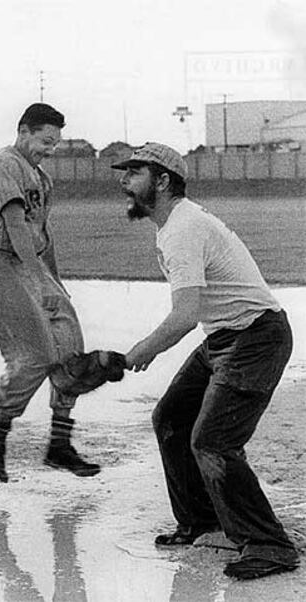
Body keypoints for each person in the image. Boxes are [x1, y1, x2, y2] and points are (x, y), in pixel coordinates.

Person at [111, 142, 299, 580]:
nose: (124, 180)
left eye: (135, 173)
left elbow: (184, 316)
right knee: (171, 417)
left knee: (213, 441)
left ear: (162, 181)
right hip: (225, 337)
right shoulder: (175, 225)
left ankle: (269, 545)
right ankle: (202, 521)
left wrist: (142, 350)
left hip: (256, 337)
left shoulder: (182, 228)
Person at [0, 103, 100, 482]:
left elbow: (43, 236)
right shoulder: (2, 164)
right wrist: (36, 279)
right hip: (1, 265)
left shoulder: (42, 179)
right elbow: (14, 224)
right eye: (46, 140)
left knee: (71, 350)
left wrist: (55, 284)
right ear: (23, 131)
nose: (50, 149)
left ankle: (59, 445)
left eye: (55, 143)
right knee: (37, 356)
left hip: (33, 266)